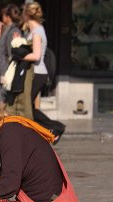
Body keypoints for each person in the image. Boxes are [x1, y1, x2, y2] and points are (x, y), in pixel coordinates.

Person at [21, 1, 65, 144]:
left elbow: (36, 55)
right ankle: (50, 130)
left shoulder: (36, 32)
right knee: (29, 107)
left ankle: (56, 128)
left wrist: (18, 55)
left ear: (27, 15)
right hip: (36, 73)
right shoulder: (36, 30)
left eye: (23, 13)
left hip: (37, 73)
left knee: (27, 106)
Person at [0, 4, 22, 108]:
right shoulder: (8, 30)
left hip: (6, 72)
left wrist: (4, 74)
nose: (2, 17)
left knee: (3, 104)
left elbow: (11, 55)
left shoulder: (13, 31)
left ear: (8, 17)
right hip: (2, 71)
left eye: (4, 15)